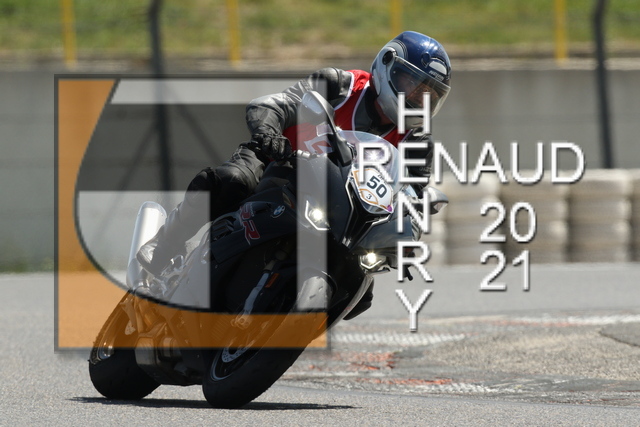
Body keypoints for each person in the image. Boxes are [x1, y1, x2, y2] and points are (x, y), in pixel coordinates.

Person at [137, 31, 452, 318]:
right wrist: (269, 133)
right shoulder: (340, 85)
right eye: (412, 83)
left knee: (359, 290)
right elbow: (275, 105)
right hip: (282, 162)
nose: (417, 98)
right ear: (386, 65)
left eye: (428, 94)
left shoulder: (417, 141)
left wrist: (409, 226)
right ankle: (165, 245)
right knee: (231, 180)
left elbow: (411, 196)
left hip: (340, 202)